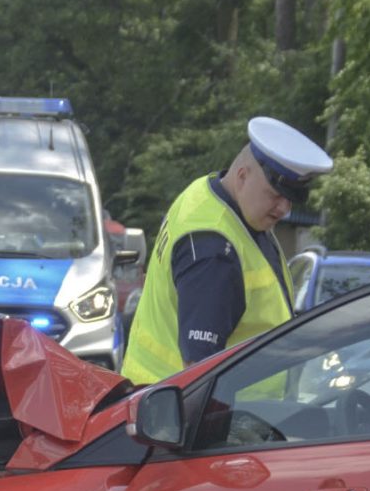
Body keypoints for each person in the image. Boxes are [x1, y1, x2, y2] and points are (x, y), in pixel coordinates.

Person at [121, 117, 333, 384]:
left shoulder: (205, 194)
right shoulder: (215, 252)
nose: (284, 209)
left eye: (291, 198)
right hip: (200, 406)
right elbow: (200, 375)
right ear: (242, 176)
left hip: (159, 394)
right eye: (274, 195)